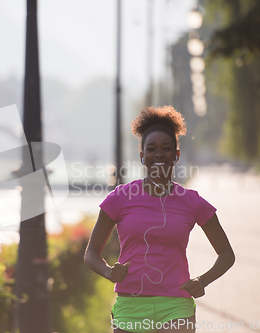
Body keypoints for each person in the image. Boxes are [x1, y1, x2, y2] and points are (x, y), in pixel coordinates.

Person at [84, 106, 235, 333]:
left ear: (176, 155)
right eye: (151, 149)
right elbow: (91, 254)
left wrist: (202, 281)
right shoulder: (119, 198)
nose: (158, 154)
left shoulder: (192, 202)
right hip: (130, 304)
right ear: (142, 156)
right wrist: (108, 272)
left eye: (166, 149)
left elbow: (226, 254)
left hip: (176, 305)